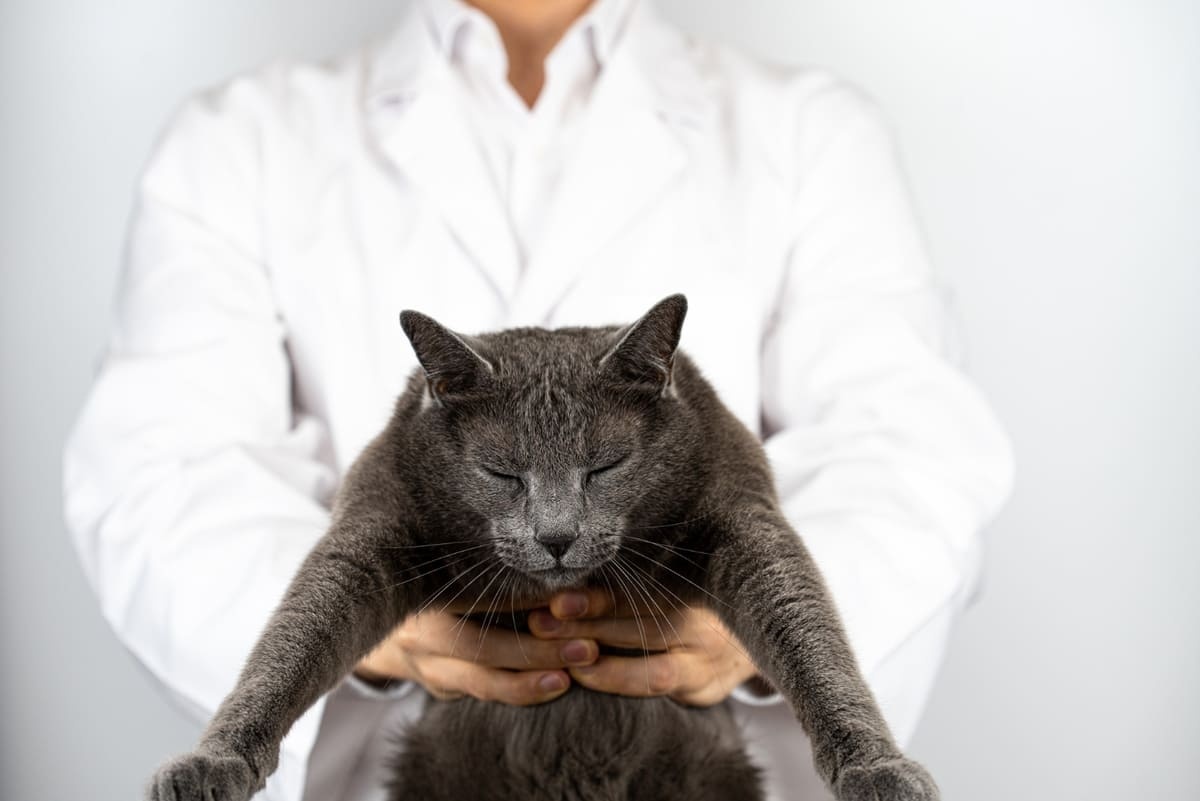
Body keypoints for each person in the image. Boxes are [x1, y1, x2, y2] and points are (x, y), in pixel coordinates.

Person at [63, 0, 1013, 798]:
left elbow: (910, 450)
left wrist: (746, 641)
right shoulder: (238, 141)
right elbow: (157, 475)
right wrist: (396, 639)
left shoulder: (812, 129)